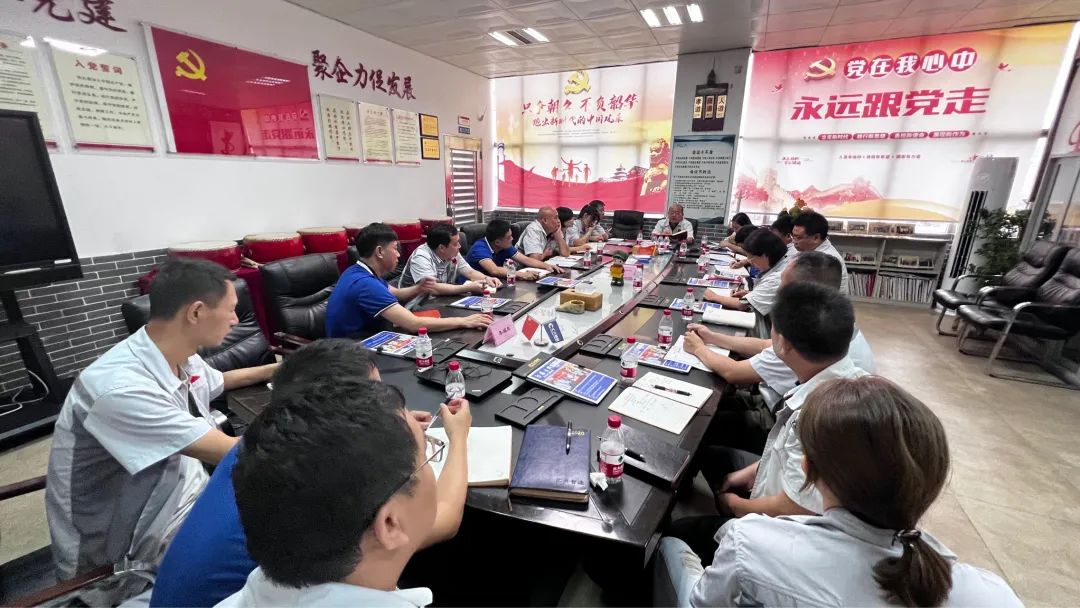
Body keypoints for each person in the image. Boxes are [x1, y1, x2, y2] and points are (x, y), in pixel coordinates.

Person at [151, 340, 470, 608]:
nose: (377, 407)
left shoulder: (264, 450)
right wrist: (457, 439)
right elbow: (444, 519)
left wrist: (393, 429)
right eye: (368, 400)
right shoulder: (329, 502)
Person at [659, 376, 1022, 607]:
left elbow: (702, 602)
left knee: (669, 544)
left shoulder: (750, 544)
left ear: (807, 469)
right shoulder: (991, 594)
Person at [44, 258, 278, 600]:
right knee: (284, 548)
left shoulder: (175, 352)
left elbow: (219, 381)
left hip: (184, 497)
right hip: (129, 553)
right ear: (196, 312)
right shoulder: (120, 389)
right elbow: (234, 451)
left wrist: (280, 369)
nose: (235, 320)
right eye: (230, 310)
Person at [667, 283, 869, 559]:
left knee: (675, 535)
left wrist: (736, 506)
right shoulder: (851, 380)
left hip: (786, 535)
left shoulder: (817, 417)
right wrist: (752, 471)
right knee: (710, 454)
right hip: (783, 486)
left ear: (783, 344)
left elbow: (797, 507)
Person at [683, 251, 876, 451]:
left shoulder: (805, 344)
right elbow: (765, 345)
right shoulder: (828, 323)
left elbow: (733, 372)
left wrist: (698, 348)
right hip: (782, 405)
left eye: (782, 285)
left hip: (781, 422)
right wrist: (712, 337)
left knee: (701, 427)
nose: (777, 291)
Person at [326, 222, 492, 338]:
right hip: (354, 348)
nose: (399, 254)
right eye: (395, 249)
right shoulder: (364, 283)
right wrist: (464, 321)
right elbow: (413, 324)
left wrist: (418, 288)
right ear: (379, 252)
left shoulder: (358, 271)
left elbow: (396, 293)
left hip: (371, 335)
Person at [704, 227, 790, 338]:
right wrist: (750, 294)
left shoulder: (777, 278)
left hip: (765, 333)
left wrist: (714, 297)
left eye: (751, 257)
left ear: (764, 256)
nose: (749, 261)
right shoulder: (779, 265)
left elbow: (742, 305)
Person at [398, 223, 501, 308]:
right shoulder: (421, 257)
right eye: (456, 244)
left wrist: (486, 278)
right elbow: (433, 288)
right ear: (442, 248)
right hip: (417, 305)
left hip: (441, 300)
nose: (459, 246)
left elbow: (469, 272)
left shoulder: (452, 252)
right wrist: (467, 287)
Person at [465, 219, 561, 280]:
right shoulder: (479, 249)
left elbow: (526, 259)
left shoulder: (505, 246)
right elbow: (494, 270)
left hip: (494, 283)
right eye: (509, 237)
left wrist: (547, 266)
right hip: (471, 287)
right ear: (497, 242)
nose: (512, 239)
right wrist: (522, 274)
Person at [792, 210, 849, 292]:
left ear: (816, 238)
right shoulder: (809, 250)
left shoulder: (825, 260)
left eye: (798, 238)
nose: (794, 241)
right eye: (793, 236)